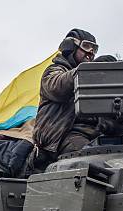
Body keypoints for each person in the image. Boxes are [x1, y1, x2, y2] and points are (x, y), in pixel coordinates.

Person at [32, 28, 101, 169]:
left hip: (91, 134)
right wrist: (84, 71)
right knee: (89, 160)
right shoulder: (54, 71)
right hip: (61, 137)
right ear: (71, 47)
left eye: (94, 49)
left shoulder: (92, 78)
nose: (91, 53)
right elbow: (57, 86)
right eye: (87, 46)